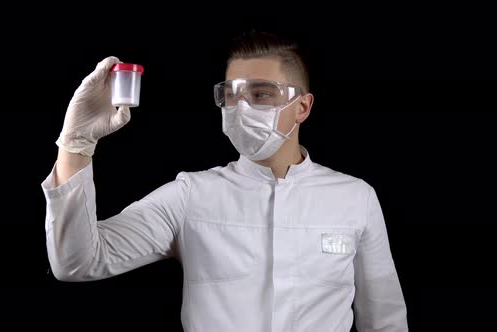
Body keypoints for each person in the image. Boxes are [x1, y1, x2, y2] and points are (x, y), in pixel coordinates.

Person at [41, 31, 408, 331]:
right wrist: (76, 144)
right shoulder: (191, 195)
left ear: (303, 107)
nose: (241, 107)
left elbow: (385, 321)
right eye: (231, 95)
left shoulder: (354, 198)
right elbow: (78, 262)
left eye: (261, 93)